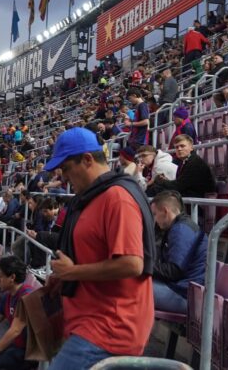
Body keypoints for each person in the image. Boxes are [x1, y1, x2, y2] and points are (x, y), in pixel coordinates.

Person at [43, 127, 155, 369]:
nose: (63, 176)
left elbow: (132, 263)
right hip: (88, 322)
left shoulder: (117, 197)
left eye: (66, 168)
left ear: (87, 159)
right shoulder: (92, 196)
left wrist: (72, 273)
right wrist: (64, 278)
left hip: (109, 327)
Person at [151, 191, 207, 313]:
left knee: (132, 287)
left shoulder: (181, 230)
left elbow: (174, 271)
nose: (155, 220)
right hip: (180, 289)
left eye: (155, 214)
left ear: (165, 211)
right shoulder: (178, 227)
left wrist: (144, 266)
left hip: (185, 295)